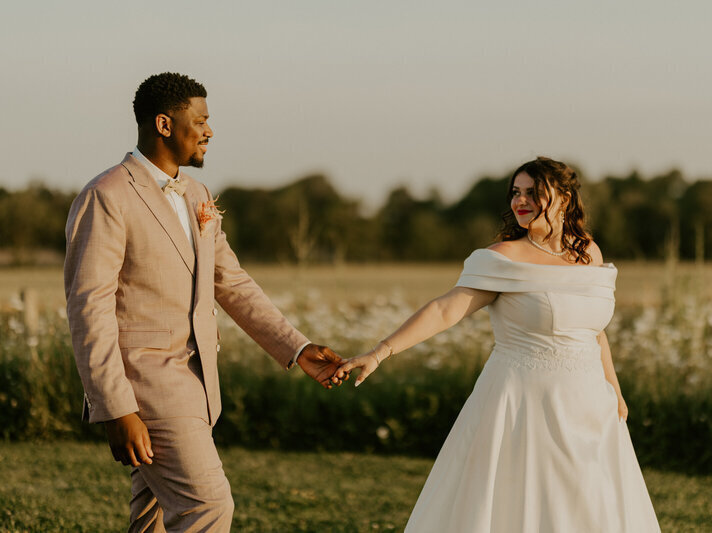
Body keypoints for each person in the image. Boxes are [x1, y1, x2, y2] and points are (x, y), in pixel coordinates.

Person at [64, 72, 343, 532]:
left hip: (197, 387)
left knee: (152, 522)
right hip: (147, 388)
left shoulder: (197, 195)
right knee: (208, 507)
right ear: (164, 124)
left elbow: (230, 281)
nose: (210, 131)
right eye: (201, 120)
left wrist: (296, 347)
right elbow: (88, 310)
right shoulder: (107, 195)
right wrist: (116, 407)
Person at [336, 157, 660, 532]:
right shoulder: (501, 259)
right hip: (524, 406)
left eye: (533, 192)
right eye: (516, 193)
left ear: (564, 198)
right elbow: (445, 310)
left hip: (590, 405)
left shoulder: (589, 252)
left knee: (590, 505)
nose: (521, 201)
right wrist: (380, 351)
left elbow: (594, 332)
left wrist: (614, 393)